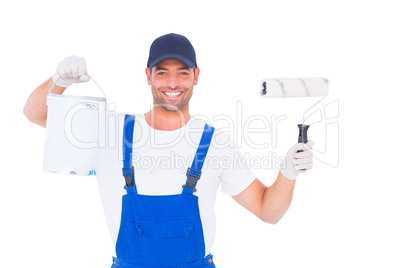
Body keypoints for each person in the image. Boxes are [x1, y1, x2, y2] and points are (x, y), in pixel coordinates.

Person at [23, 33, 314, 268]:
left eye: (182, 73)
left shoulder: (215, 143)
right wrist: (59, 81)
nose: (172, 83)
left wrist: (288, 172)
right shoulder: (110, 131)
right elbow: (35, 113)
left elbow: (268, 211)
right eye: (162, 73)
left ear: (196, 76)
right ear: (148, 76)